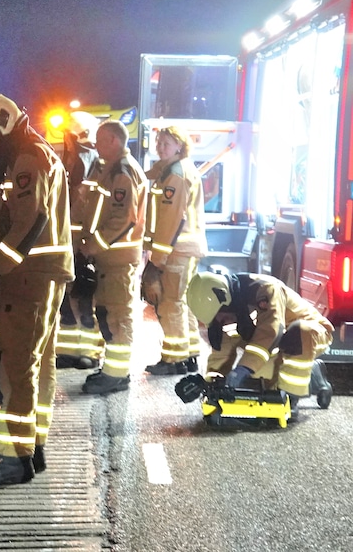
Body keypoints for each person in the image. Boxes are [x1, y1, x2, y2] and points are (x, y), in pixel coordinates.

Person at [0, 93, 73, 487]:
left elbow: (30, 220)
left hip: (28, 276)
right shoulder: (35, 153)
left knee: (15, 366)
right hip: (44, 274)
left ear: (5, 125)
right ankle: (33, 446)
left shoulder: (28, 159)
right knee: (39, 364)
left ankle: (15, 457)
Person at [185, 270, 333, 409]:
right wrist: (209, 382)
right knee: (258, 375)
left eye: (221, 317)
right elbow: (222, 352)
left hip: (310, 335)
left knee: (299, 331)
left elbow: (271, 331)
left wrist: (243, 368)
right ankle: (313, 373)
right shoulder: (229, 308)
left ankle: (290, 397)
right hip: (277, 342)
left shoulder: (267, 289)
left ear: (224, 299)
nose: (222, 321)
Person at [80, 121, 148, 394]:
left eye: (100, 140)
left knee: (118, 315)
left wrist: (93, 245)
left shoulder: (123, 172)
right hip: (111, 256)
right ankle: (112, 369)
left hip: (117, 256)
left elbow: (123, 218)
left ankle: (117, 375)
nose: (96, 145)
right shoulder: (112, 170)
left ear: (113, 140)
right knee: (109, 313)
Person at [142, 126, 208, 375]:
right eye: (158, 142)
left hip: (177, 250)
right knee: (182, 303)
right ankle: (189, 355)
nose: (160, 146)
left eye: (166, 143)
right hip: (182, 250)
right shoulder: (172, 170)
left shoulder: (176, 175)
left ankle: (174, 359)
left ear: (179, 145)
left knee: (170, 303)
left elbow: (171, 220)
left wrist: (157, 260)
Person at [55, 111, 103, 369]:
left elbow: (90, 206)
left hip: (83, 241)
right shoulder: (72, 160)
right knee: (68, 298)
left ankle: (90, 353)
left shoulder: (92, 162)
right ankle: (69, 351)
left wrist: (87, 243)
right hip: (68, 240)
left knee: (85, 299)